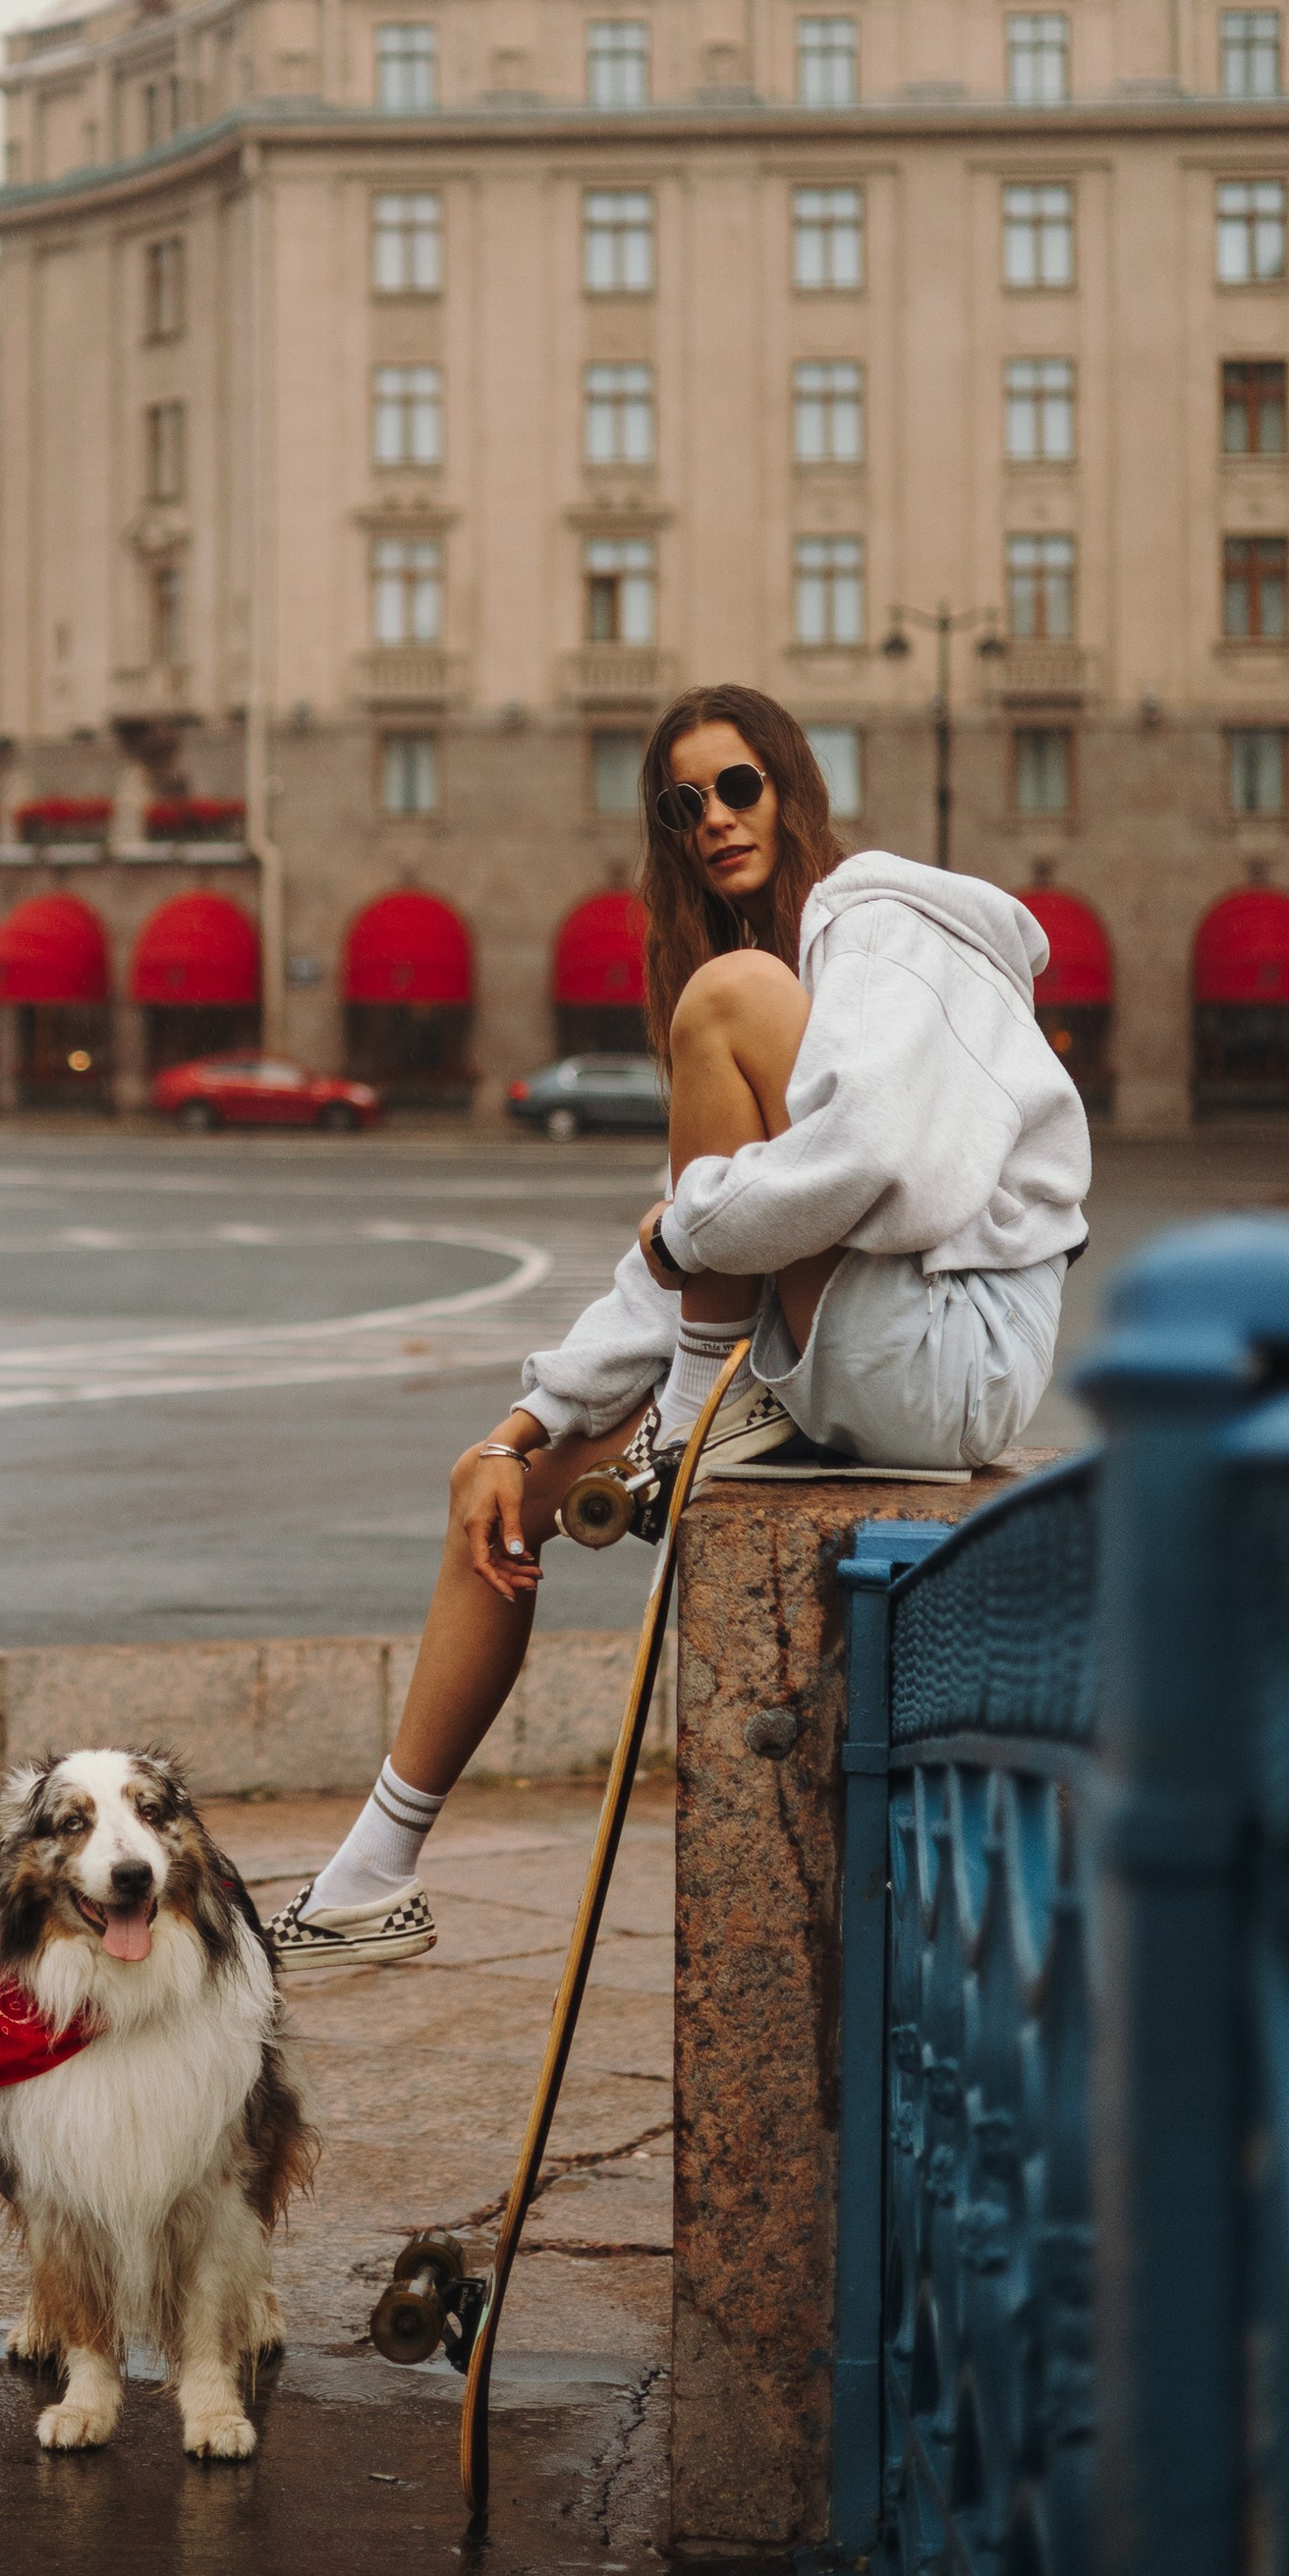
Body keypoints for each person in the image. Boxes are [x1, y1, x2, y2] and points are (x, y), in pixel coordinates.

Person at [270, 682, 1092, 1970]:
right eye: (681, 803)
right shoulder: (772, 985)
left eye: (739, 786)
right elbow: (688, 1245)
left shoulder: (872, 923)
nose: (713, 818)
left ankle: (693, 1418)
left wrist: (689, 1245)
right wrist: (526, 1415)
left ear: (793, 788)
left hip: (942, 1346)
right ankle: (371, 1874)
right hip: (837, 1351)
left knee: (725, 1000)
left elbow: (873, 1165)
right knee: (493, 1494)